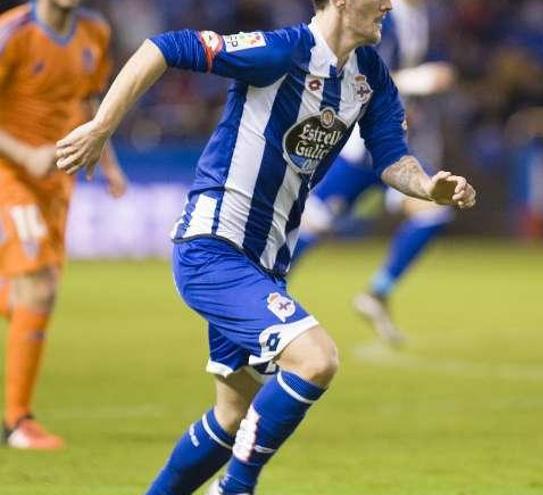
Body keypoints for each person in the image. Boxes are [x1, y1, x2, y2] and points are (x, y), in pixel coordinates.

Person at [56, 0, 476, 493]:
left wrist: (427, 188)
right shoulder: (281, 51)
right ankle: (235, 488)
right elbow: (164, 47)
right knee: (316, 359)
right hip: (213, 248)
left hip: (265, 264)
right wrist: (102, 128)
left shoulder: (370, 76)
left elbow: (389, 154)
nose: (388, 4)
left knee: (232, 415)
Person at [0, 0, 127, 450]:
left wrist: (108, 161)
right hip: (10, 175)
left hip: (56, 181)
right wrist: (24, 154)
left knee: (35, 291)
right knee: (39, 287)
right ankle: (17, 422)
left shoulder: (95, 31)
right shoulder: (12, 33)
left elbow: (91, 102)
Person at [291, 0, 456, 346]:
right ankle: (262, 293)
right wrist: (418, 80)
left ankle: (376, 293)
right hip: (356, 145)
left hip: (387, 146)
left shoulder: (419, 17)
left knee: (433, 213)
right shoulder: (383, 15)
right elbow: (358, 71)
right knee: (313, 225)